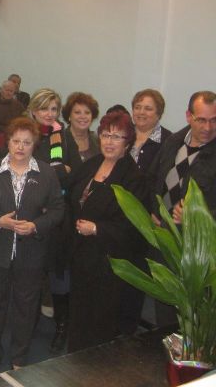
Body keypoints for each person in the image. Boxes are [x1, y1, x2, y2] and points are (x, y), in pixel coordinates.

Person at [0, 117, 64, 375]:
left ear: (35, 145)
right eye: (15, 141)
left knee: (25, 308)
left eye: (27, 142)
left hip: (31, 254)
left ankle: (19, 358)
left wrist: (36, 225)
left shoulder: (46, 173)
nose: (20, 147)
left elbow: (58, 209)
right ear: (7, 142)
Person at [67, 111, 148, 352]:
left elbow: (135, 226)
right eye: (105, 135)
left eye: (117, 137)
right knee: (80, 310)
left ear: (128, 142)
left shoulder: (133, 177)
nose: (109, 142)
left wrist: (98, 228)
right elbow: (73, 197)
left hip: (109, 260)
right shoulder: (92, 164)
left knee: (101, 317)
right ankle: (75, 359)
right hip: (82, 254)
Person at [149, 91, 216, 326]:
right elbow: (155, 178)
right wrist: (153, 210)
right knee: (165, 303)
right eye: (201, 119)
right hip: (165, 237)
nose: (208, 127)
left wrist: (197, 216)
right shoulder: (174, 141)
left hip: (197, 247)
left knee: (192, 311)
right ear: (189, 116)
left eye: (214, 120)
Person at [28, 88, 79, 353]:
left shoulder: (64, 136)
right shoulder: (27, 135)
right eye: (45, 108)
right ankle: (28, 322)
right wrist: (56, 172)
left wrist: (53, 174)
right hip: (32, 212)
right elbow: (26, 174)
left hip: (59, 213)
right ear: (34, 110)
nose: (50, 114)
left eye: (54, 108)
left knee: (60, 274)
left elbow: (72, 175)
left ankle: (62, 326)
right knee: (32, 272)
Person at [130, 89, 171, 172]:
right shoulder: (123, 134)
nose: (141, 112)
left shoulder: (169, 140)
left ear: (159, 113)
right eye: (137, 107)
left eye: (148, 109)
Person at [62, 92, 101, 163]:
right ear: (69, 116)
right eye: (77, 112)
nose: (83, 117)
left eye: (87, 112)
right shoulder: (60, 140)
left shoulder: (98, 140)